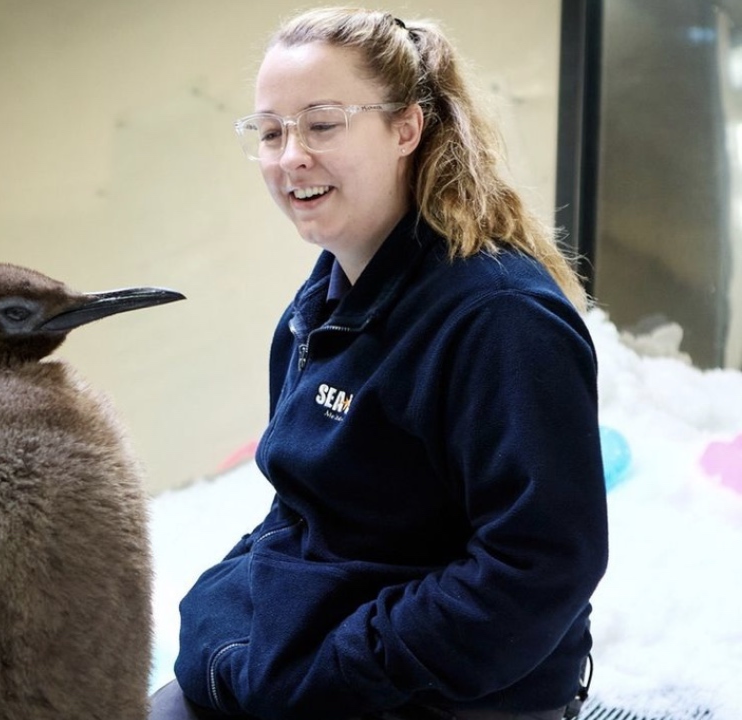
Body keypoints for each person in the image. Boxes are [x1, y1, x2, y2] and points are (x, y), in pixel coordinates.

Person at [152, 7, 608, 720]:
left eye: (322, 124)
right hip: (329, 650)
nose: (290, 156)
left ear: (406, 128)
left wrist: (341, 668)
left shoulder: (499, 318)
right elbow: (306, 505)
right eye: (270, 133)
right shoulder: (321, 304)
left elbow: (538, 568)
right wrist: (231, 620)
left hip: (447, 692)